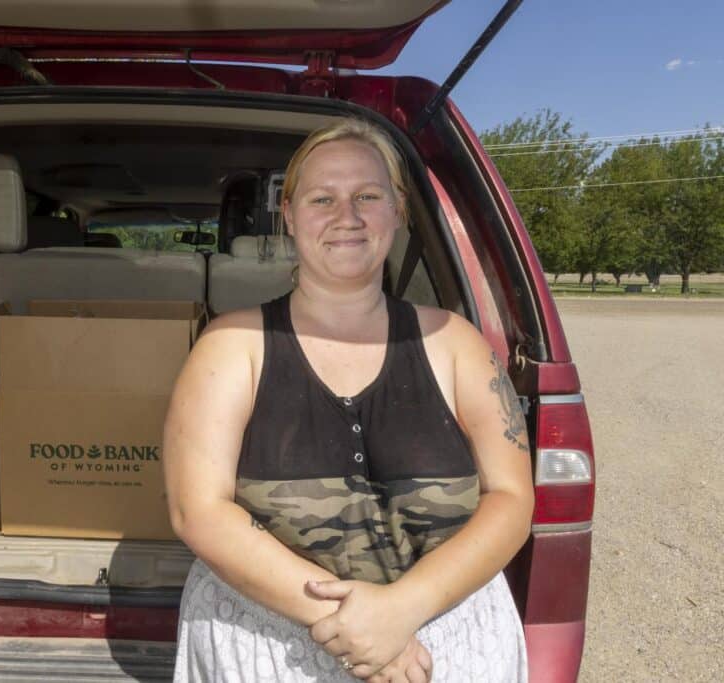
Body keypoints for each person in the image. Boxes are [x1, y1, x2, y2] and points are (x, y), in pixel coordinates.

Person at [163, 118, 533, 682]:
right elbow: (199, 511)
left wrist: (403, 609)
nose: (347, 216)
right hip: (271, 646)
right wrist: (358, 629)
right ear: (288, 216)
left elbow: (510, 497)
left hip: (442, 642)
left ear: (398, 210)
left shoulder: (456, 341)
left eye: (367, 195)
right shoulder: (228, 347)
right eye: (322, 198)